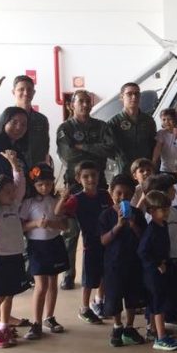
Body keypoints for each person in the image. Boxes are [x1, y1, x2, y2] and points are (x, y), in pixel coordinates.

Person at [57, 90, 115, 289]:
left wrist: (82, 147)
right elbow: (68, 155)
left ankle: (96, 273)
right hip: (73, 187)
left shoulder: (102, 126)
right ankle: (68, 274)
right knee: (71, 233)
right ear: (71, 105)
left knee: (97, 232)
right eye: (80, 101)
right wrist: (90, 148)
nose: (84, 104)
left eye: (87, 101)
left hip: (97, 186)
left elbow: (109, 149)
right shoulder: (65, 128)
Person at [0, 150, 30, 349]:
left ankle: (4, 325)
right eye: (6, 192)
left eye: (12, 191)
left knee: (10, 294)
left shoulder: (15, 206)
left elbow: (21, 186)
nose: (11, 194)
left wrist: (14, 164)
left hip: (16, 256)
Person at [98, 174, 148, 347]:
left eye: (127, 194)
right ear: (111, 193)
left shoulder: (138, 214)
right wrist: (118, 226)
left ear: (133, 195)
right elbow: (103, 240)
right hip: (113, 264)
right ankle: (117, 326)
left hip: (133, 263)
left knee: (132, 297)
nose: (122, 197)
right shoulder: (106, 215)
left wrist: (133, 225)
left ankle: (129, 327)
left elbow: (144, 238)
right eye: (118, 193)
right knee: (114, 297)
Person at [19, 163, 67, 339]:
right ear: (34, 185)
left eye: (48, 184)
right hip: (37, 246)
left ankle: (49, 317)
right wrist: (35, 223)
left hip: (54, 243)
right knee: (41, 285)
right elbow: (21, 226)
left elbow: (65, 225)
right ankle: (36, 322)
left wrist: (52, 224)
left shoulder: (57, 202)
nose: (45, 188)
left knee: (53, 283)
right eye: (40, 185)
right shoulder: (28, 203)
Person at [58, 160, 109, 324]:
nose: (90, 179)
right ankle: (84, 308)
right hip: (90, 243)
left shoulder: (104, 195)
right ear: (79, 179)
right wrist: (63, 198)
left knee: (104, 273)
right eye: (85, 176)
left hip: (107, 240)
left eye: (93, 175)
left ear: (99, 176)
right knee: (88, 278)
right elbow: (59, 212)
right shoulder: (76, 199)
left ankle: (99, 301)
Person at [138, 191, 177, 351]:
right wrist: (157, 263)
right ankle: (161, 337)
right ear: (151, 211)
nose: (166, 212)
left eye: (167, 209)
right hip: (153, 273)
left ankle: (154, 330)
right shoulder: (151, 230)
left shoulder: (162, 225)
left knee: (156, 302)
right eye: (162, 210)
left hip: (162, 269)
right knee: (158, 305)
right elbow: (142, 251)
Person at [108, 82, 157, 176]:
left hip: (145, 171)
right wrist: (122, 158)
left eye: (137, 94)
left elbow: (153, 143)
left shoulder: (148, 120)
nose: (134, 97)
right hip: (124, 170)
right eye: (129, 94)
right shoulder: (114, 122)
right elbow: (109, 149)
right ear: (122, 97)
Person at [11, 74, 51, 166]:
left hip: (36, 172)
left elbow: (45, 148)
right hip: (13, 170)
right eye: (21, 89)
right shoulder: (6, 118)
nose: (26, 93)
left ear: (34, 92)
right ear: (13, 92)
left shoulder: (41, 120)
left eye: (29, 89)